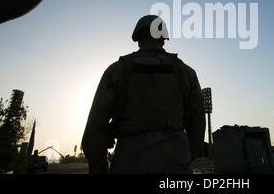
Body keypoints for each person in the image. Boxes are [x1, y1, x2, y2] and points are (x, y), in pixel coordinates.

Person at [81, 15, 205, 174]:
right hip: (176, 163)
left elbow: (94, 131)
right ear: (163, 38)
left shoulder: (117, 70)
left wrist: (100, 168)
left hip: (129, 162)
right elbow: (198, 124)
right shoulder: (186, 72)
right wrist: (184, 156)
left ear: (137, 37)